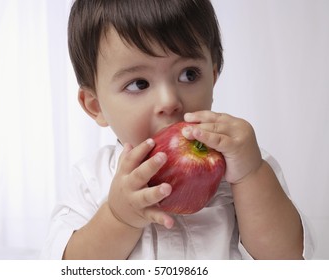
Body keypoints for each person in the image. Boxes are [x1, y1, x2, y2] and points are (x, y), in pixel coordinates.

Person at [41, 0, 314, 259]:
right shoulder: (93, 178)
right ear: (95, 106)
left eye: (189, 74)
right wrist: (117, 217)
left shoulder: (246, 164)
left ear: (214, 77)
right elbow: (69, 266)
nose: (170, 101)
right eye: (139, 83)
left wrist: (250, 176)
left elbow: (287, 259)